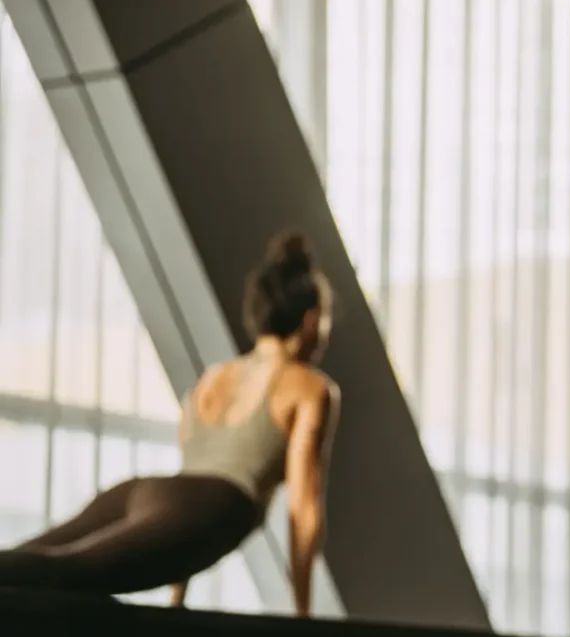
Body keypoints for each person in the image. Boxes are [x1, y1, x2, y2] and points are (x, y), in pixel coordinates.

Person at [0, 232, 339, 617]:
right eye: (325, 319)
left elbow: (185, 499)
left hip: (147, 492)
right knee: (67, 572)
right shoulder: (311, 388)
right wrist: (303, 616)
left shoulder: (211, 379)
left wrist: (177, 598)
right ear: (311, 319)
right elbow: (303, 511)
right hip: (212, 504)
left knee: (34, 558)